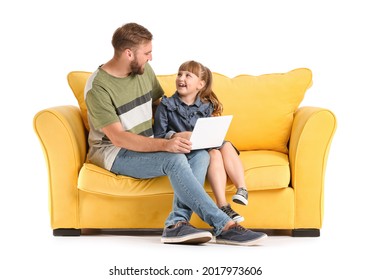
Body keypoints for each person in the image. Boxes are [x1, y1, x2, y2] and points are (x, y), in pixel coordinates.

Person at [84, 22, 267, 246]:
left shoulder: (142, 70)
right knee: (174, 158)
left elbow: (162, 106)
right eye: (147, 53)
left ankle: (176, 224)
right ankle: (224, 225)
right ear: (128, 53)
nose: (151, 58)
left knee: (200, 155)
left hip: (147, 142)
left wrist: (177, 136)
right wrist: (165, 145)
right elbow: (118, 138)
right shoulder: (98, 87)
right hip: (115, 152)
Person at [154, 60, 249, 223]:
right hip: (183, 149)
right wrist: (177, 135)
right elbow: (159, 136)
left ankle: (241, 190)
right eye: (179, 74)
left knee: (220, 149)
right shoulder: (166, 105)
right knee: (212, 153)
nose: (181, 78)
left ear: (200, 84)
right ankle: (223, 204)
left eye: (187, 75)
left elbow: (209, 133)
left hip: (204, 147)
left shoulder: (206, 106)